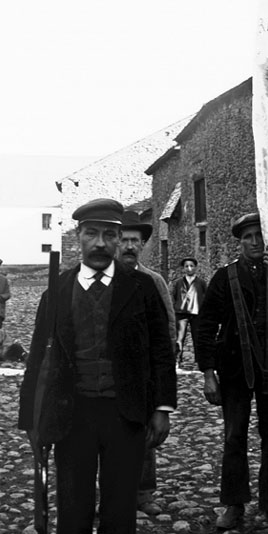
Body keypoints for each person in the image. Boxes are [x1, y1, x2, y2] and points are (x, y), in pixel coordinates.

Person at [18, 198, 177, 534]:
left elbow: (161, 351)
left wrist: (162, 408)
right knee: (74, 505)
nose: (102, 243)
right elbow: (38, 358)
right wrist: (31, 421)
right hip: (74, 415)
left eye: (110, 235)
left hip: (126, 415)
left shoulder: (139, 289)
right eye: (93, 234)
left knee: (120, 507)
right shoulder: (58, 290)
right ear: (79, 239)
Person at [196, 212, 268, 532]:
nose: (254, 242)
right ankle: (234, 505)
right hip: (235, 370)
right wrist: (208, 372)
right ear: (240, 241)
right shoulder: (225, 277)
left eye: (259, 236)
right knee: (234, 436)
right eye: (248, 237)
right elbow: (205, 325)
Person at [119, 209, 177, 517]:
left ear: (142, 245)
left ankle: (144, 492)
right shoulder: (104, 280)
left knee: (144, 433)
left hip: (144, 373)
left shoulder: (154, 281)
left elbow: (167, 326)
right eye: (124, 240)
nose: (129, 246)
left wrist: (163, 371)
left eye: (135, 241)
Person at [171, 257, 207, 365]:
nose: (189, 268)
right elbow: (174, 296)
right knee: (179, 337)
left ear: (195, 267)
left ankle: (199, 360)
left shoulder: (201, 283)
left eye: (191, 266)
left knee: (198, 337)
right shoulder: (178, 283)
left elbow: (206, 296)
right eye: (186, 266)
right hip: (181, 313)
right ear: (183, 268)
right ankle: (178, 359)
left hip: (196, 314)